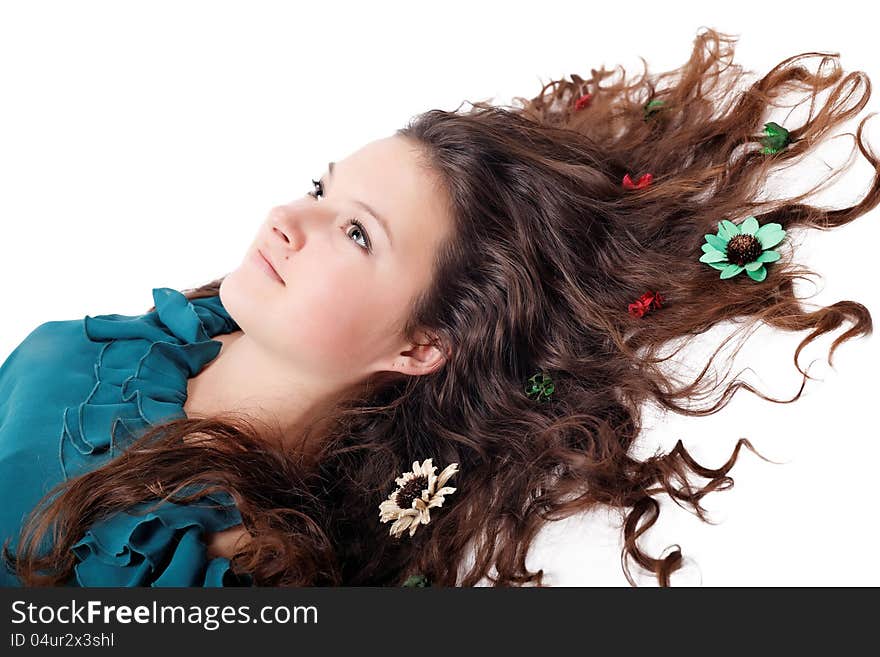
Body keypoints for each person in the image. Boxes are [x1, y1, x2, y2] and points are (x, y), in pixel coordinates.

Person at [2, 27, 877, 587]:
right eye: (320, 188)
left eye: (355, 233)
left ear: (423, 344)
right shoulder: (78, 353)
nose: (285, 219)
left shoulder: (233, 573)